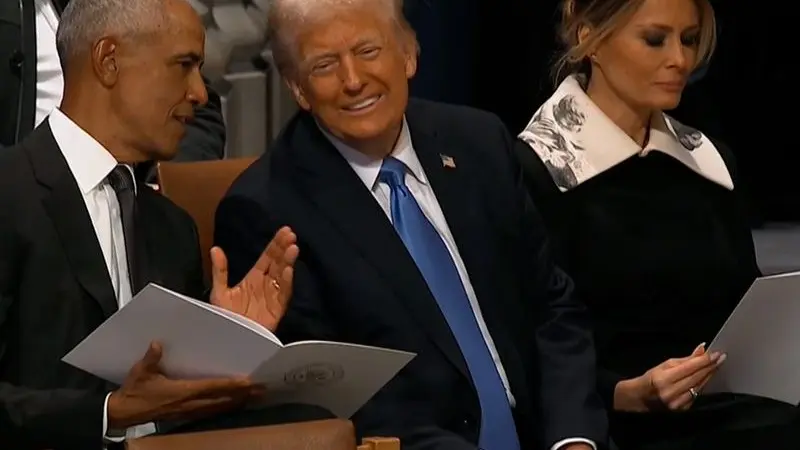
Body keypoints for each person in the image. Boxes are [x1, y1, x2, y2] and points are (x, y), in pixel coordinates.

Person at [214, 0, 609, 449]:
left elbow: (551, 306)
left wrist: (573, 438)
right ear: (297, 88)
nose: (353, 80)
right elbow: (329, 398)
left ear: (409, 54)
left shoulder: (479, 142)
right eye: (324, 64)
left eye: (367, 51)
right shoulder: (265, 210)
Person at [0, 0, 304, 448]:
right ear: (109, 61)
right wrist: (107, 413)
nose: (200, 93)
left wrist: (222, 344)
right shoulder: (9, 196)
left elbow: (173, 401)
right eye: (183, 65)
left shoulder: (173, 228)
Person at [513, 0, 797, 448]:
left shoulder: (709, 162)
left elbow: (745, 306)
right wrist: (625, 392)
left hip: (739, 410)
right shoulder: (533, 170)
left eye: (688, 40)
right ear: (589, 38)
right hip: (608, 425)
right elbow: (527, 338)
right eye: (654, 39)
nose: (680, 60)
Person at [0, 0, 226, 183]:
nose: (198, 93)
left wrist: (160, 185)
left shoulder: (118, 10)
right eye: (185, 64)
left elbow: (197, 114)